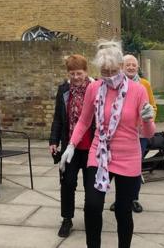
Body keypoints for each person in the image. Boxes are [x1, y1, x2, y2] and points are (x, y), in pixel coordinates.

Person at [60, 40, 156, 248]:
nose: (109, 75)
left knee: (123, 210)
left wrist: (148, 119)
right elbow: (84, 120)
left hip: (128, 154)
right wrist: (71, 145)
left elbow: (147, 133)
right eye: (104, 71)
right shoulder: (94, 88)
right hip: (100, 151)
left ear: (121, 67)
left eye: (113, 71)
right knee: (92, 206)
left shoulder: (138, 90)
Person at [49, 54, 95, 238]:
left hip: (91, 146)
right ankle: (67, 219)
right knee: (67, 183)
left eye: (79, 73)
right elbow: (58, 118)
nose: (76, 77)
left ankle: (90, 217)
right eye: (72, 73)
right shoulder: (64, 90)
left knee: (90, 185)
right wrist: (53, 141)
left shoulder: (96, 88)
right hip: (70, 147)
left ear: (86, 72)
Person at [107, 54, 157, 213]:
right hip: (121, 135)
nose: (130, 67)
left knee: (135, 169)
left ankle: (133, 198)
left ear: (137, 67)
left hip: (140, 135)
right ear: (122, 66)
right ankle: (119, 199)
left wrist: (148, 118)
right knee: (116, 170)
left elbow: (153, 106)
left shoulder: (144, 84)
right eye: (127, 64)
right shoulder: (115, 84)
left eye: (133, 65)